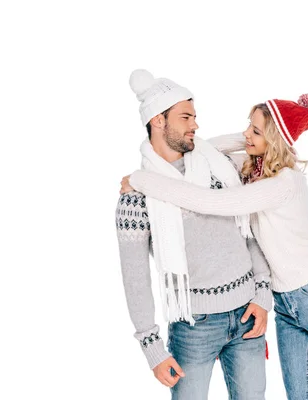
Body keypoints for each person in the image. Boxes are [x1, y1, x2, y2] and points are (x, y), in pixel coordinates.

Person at [120, 94, 308, 400]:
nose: (246, 134)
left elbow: (211, 202)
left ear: (272, 140)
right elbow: (205, 149)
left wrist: (142, 178)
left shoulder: (283, 183)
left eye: (256, 131)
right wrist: (254, 136)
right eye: (248, 126)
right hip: (284, 304)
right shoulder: (248, 170)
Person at [116, 69, 272, 400]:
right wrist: (151, 347)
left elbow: (250, 231)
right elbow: (135, 278)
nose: (195, 125)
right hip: (193, 327)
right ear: (158, 121)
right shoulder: (135, 197)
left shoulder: (219, 167)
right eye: (185, 117)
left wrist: (262, 295)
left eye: (195, 117)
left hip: (247, 316)